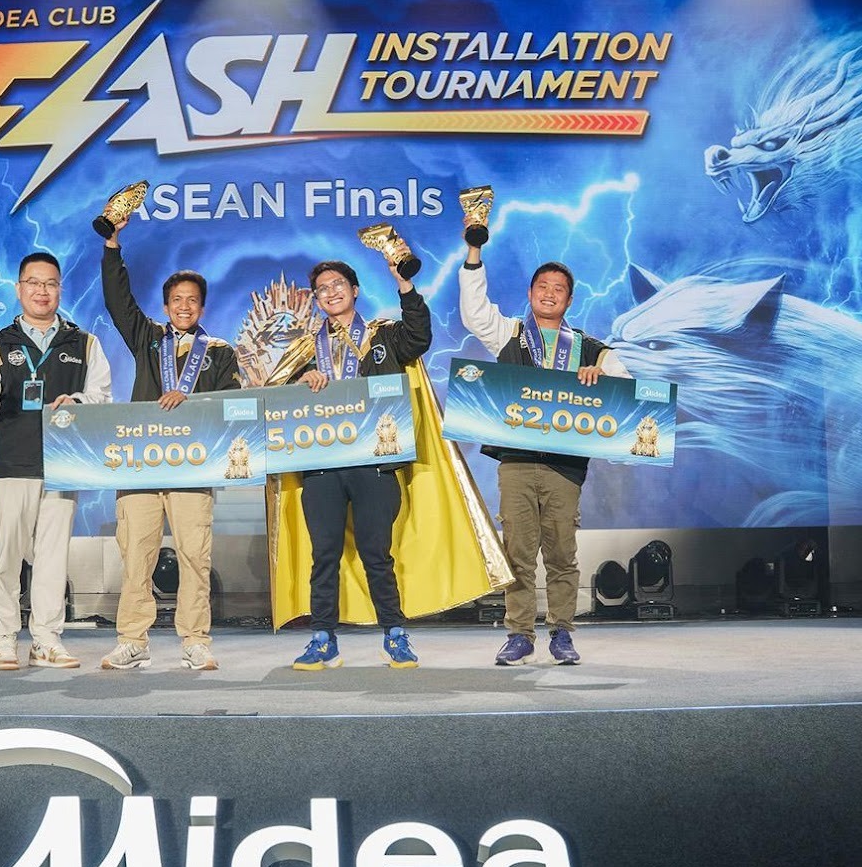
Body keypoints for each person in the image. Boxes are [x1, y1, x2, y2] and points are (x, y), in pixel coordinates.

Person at [458, 232, 630, 666]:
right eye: (542, 287)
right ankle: (519, 634)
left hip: (564, 468)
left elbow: (628, 386)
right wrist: (474, 251)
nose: (549, 294)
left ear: (569, 300)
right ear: (530, 293)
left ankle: (562, 633)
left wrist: (602, 378)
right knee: (517, 553)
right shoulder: (510, 335)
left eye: (558, 289)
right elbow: (474, 311)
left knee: (561, 554)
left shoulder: (592, 350)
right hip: (516, 463)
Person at [265, 256, 431, 670]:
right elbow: (275, 396)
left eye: (338, 284)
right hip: (323, 467)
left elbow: (419, 337)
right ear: (316, 299)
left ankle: (395, 634)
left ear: (355, 290)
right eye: (322, 288)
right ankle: (323, 638)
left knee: (377, 554)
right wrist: (301, 382)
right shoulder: (305, 349)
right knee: (324, 555)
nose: (331, 292)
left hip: (374, 464)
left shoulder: (384, 335)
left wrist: (405, 287)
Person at [98, 217, 242, 671]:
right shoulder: (148, 338)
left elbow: (231, 405)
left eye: (192, 300)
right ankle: (132, 640)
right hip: (141, 466)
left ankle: (195, 640)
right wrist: (112, 245)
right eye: (177, 299)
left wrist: (191, 399)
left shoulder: (220, 352)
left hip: (192, 469)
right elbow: (118, 301)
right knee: (136, 556)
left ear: (202, 307)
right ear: (165, 306)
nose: (184, 306)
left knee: (194, 557)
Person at [0, 250, 111, 671]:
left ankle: (46, 640)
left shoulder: (85, 343)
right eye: (33, 283)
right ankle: (3, 639)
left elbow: (102, 397)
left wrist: (78, 401)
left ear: (60, 289)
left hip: (62, 466)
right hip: (12, 463)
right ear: (19, 289)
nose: (41, 291)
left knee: (52, 558)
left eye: (50, 284)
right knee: (5, 558)